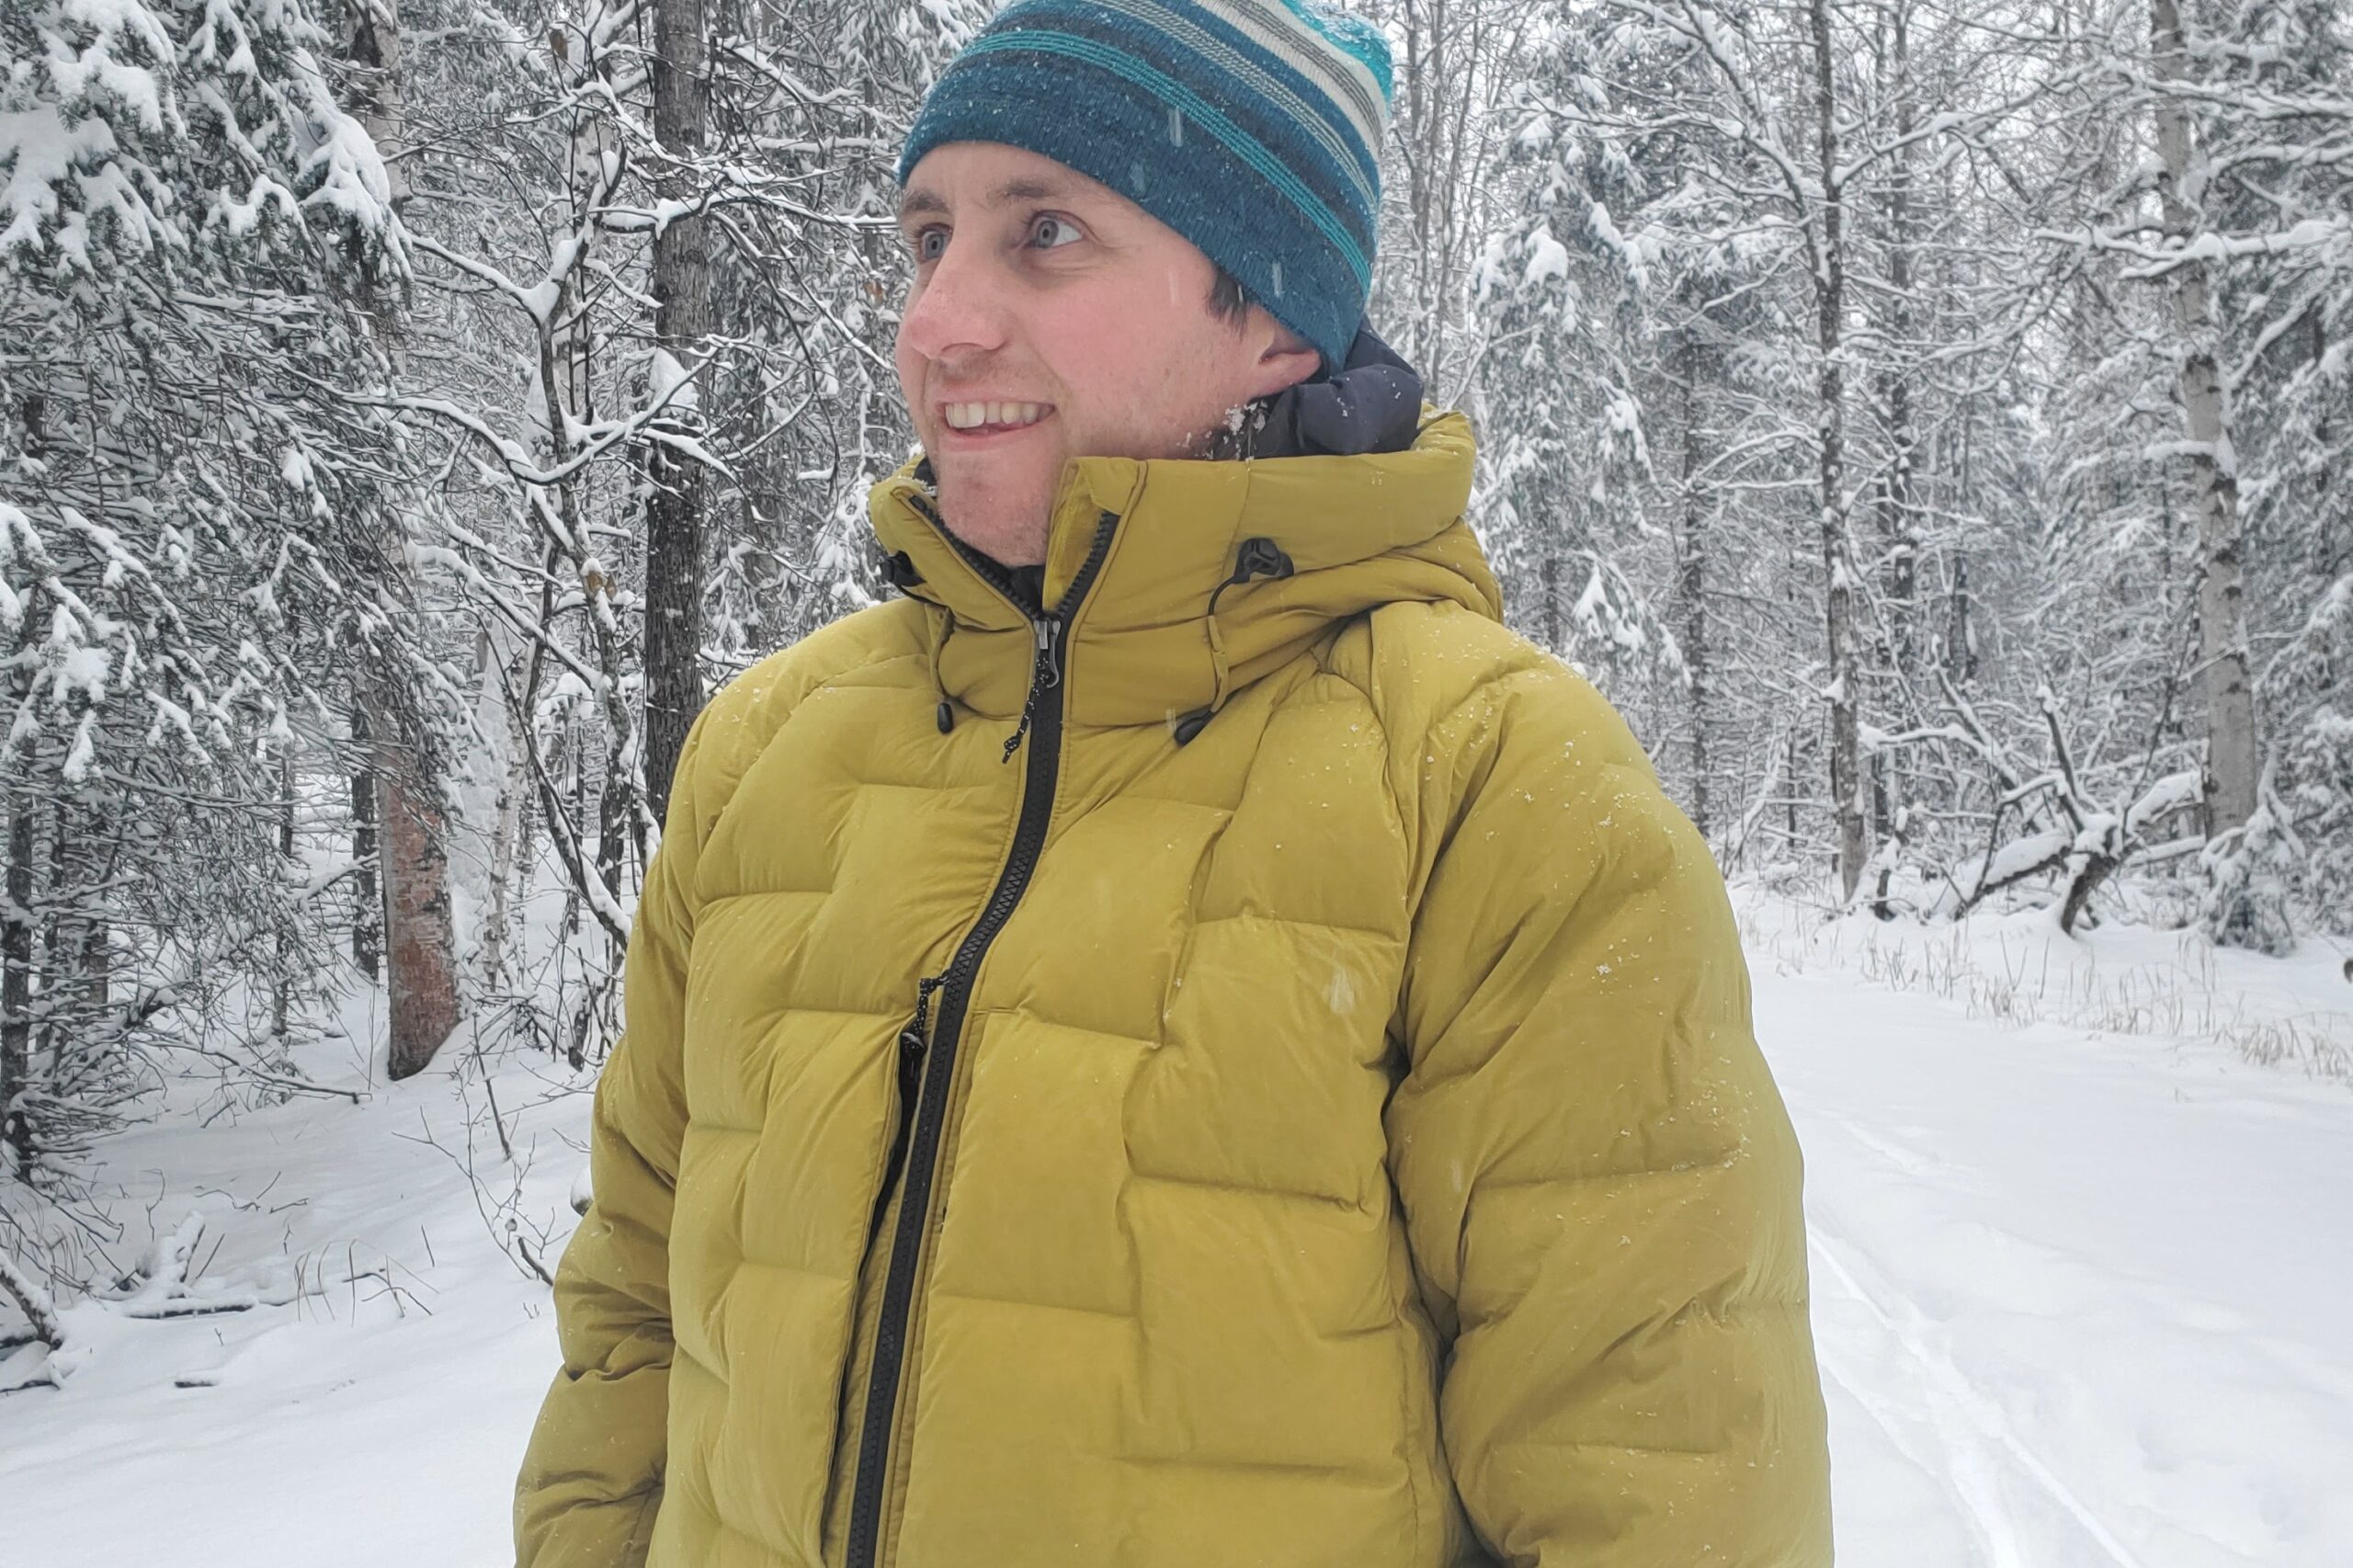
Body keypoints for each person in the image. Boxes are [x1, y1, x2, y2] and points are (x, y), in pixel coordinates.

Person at [513, 2, 1834, 1564]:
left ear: (1273, 317)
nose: (939, 320)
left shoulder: (1489, 785)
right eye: (928, 237)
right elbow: (633, 1324)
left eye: (1045, 233)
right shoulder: (768, 756)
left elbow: (1661, 1477)